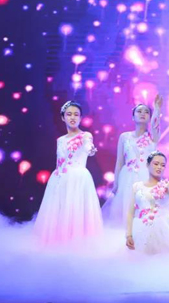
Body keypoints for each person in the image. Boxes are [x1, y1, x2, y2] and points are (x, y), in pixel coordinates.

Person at [34, 101, 103, 244]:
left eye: (76, 114)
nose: (72, 117)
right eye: (69, 114)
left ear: (81, 118)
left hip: (78, 178)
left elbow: (88, 147)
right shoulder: (60, 140)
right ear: (63, 117)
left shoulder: (85, 135)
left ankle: (77, 243)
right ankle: (58, 242)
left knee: (76, 210)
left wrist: (90, 149)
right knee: (60, 211)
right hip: (59, 178)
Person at [103, 95, 163, 225]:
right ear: (133, 117)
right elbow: (119, 162)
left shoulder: (152, 136)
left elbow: (155, 125)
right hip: (127, 177)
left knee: (146, 211)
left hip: (146, 176)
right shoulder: (124, 137)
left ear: (150, 118)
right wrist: (116, 183)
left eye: (146, 112)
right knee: (127, 211)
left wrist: (157, 109)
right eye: (139, 111)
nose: (143, 114)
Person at [126, 151, 169, 254]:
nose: (159, 167)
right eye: (156, 164)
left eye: (163, 165)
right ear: (147, 165)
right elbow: (130, 212)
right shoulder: (137, 186)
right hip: (140, 229)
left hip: (163, 229)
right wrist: (128, 235)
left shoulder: (168, 185)